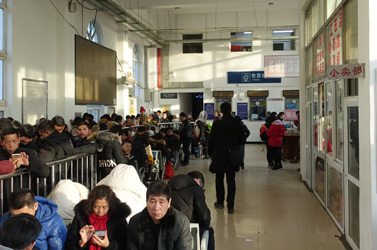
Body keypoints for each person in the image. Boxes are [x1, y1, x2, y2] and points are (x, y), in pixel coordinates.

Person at [126, 181, 191, 250]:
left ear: (169, 203)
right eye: (152, 201)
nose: (156, 208)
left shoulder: (181, 223)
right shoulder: (135, 222)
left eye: (161, 202)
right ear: (146, 201)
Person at [65, 185, 131, 250]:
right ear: (91, 205)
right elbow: (69, 245)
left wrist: (108, 245)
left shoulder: (118, 218)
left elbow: (125, 244)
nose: (100, 211)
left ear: (111, 205)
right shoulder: (81, 217)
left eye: (104, 207)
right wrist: (81, 243)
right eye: (96, 207)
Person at [0, 189, 67, 250]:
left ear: (35, 206)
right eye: (14, 216)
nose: (19, 220)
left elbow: (57, 247)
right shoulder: (5, 218)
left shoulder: (54, 222)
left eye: (24, 215)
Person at [208, 102, 243, 214]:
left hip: (219, 154)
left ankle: (220, 202)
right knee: (231, 180)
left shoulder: (217, 124)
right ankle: (231, 206)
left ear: (221, 111)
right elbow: (242, 138)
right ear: (230, 109)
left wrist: (210, 153)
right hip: (232, 155)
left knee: (219, 178)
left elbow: (211, 140)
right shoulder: (236, 122)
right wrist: (235, 146)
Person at [168, 171, 214, 250]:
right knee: (209, 230)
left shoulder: (168, 188)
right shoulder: (196, 190)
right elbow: (204, 217)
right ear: (198, 181)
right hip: (188, 230)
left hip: (169, 228)